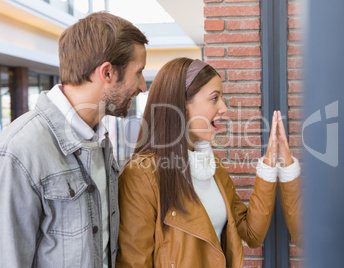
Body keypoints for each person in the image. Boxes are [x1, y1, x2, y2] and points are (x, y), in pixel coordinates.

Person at [116, 58, 302, 267]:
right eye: (215, 98)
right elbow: (133, 262)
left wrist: (270, 166)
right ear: (181, 105)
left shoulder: (211, 166)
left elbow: (252, 234)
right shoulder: (141, 175)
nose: (224, 108)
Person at [0, 12, 148, 268]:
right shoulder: (19, 149)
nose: (143, 86)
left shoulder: (100, 141)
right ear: (108, 73)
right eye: (139, 72)